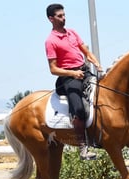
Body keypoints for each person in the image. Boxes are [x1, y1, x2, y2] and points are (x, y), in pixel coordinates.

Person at [45, 3, 102, 160]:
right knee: (78, 109)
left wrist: (96, 64)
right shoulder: (50, 41)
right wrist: (73, 73)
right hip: (68, 78)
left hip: (83, 71)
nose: (64, 18)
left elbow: (86, 52)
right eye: (60, 16)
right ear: (51, 19)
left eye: (64, 15)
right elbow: (53, 69)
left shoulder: (72, 33)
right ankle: (83, 148)